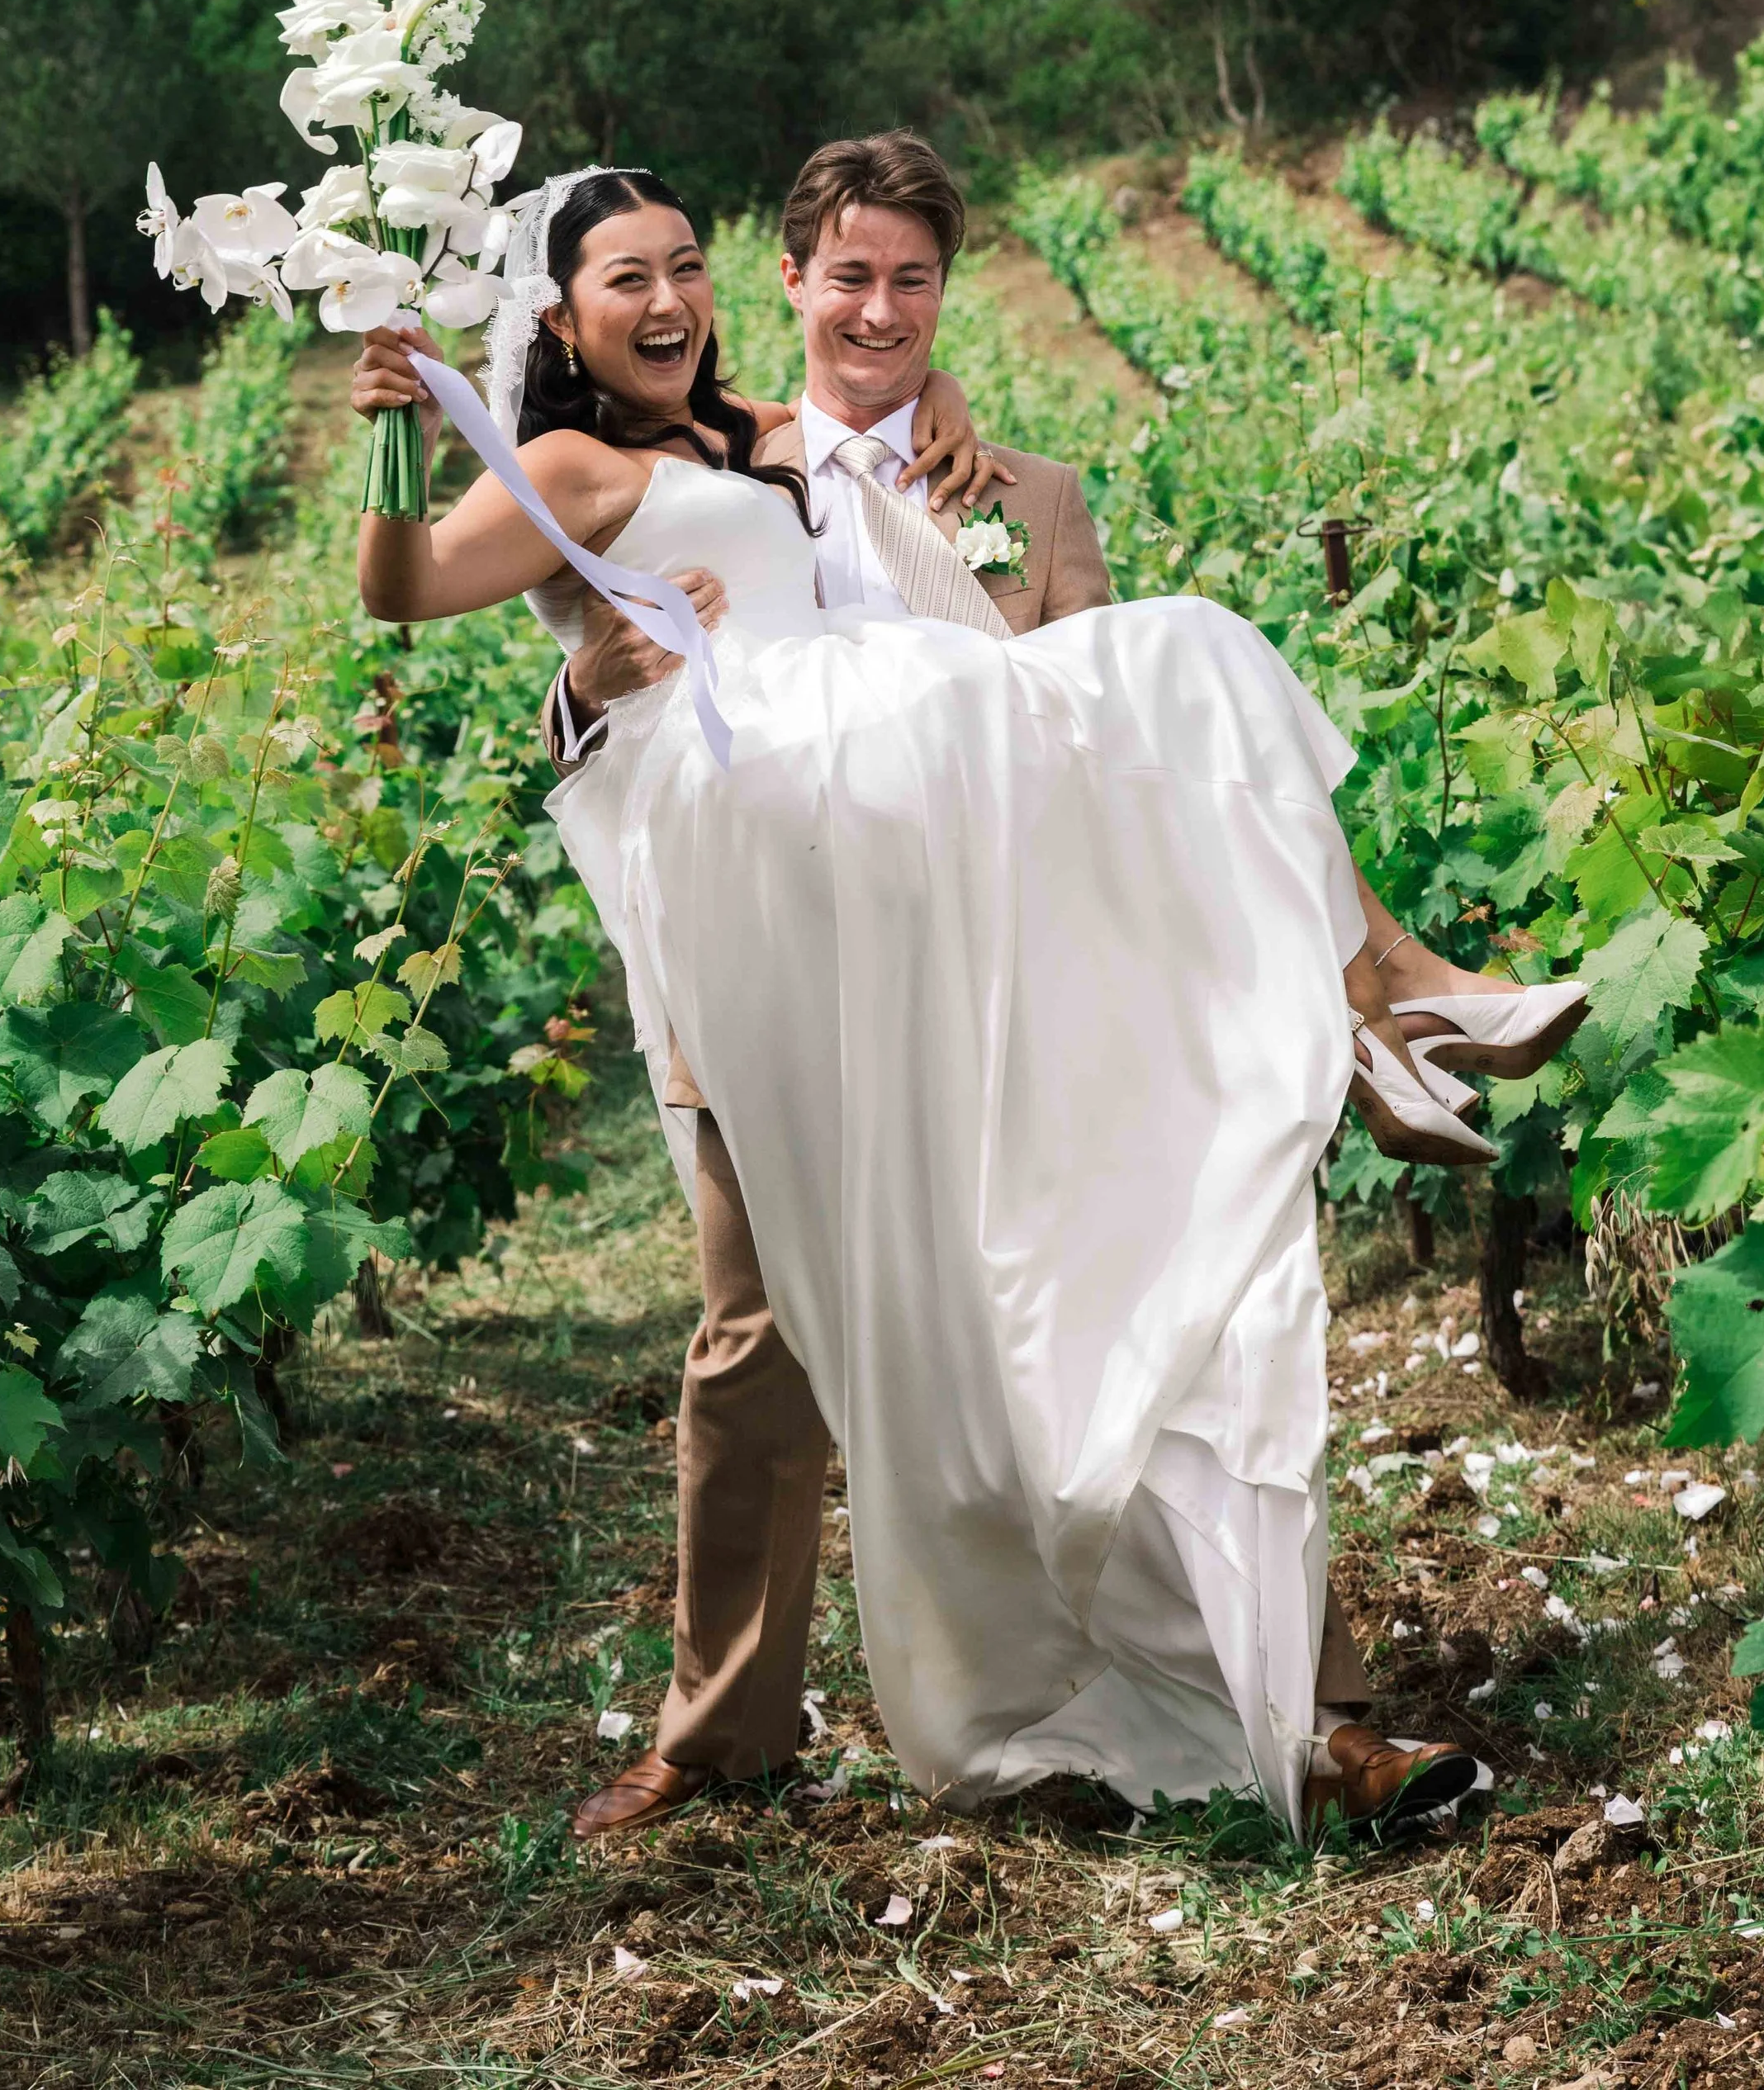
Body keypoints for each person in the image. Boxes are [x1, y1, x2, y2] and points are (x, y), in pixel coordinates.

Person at [352, 140, 1581, 1839]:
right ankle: (722, 1729)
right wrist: (582, 687)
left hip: (997, 968)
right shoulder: (732, 455)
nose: (873, 311)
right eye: (840, 278)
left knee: (1120, 1300)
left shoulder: (999, 477)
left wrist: (987, 512)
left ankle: (1294, 1697)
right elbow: (520, 638)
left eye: (909, 284)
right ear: (788, 288)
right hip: (772, 949)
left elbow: (1074, 714)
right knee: (757, 1338)